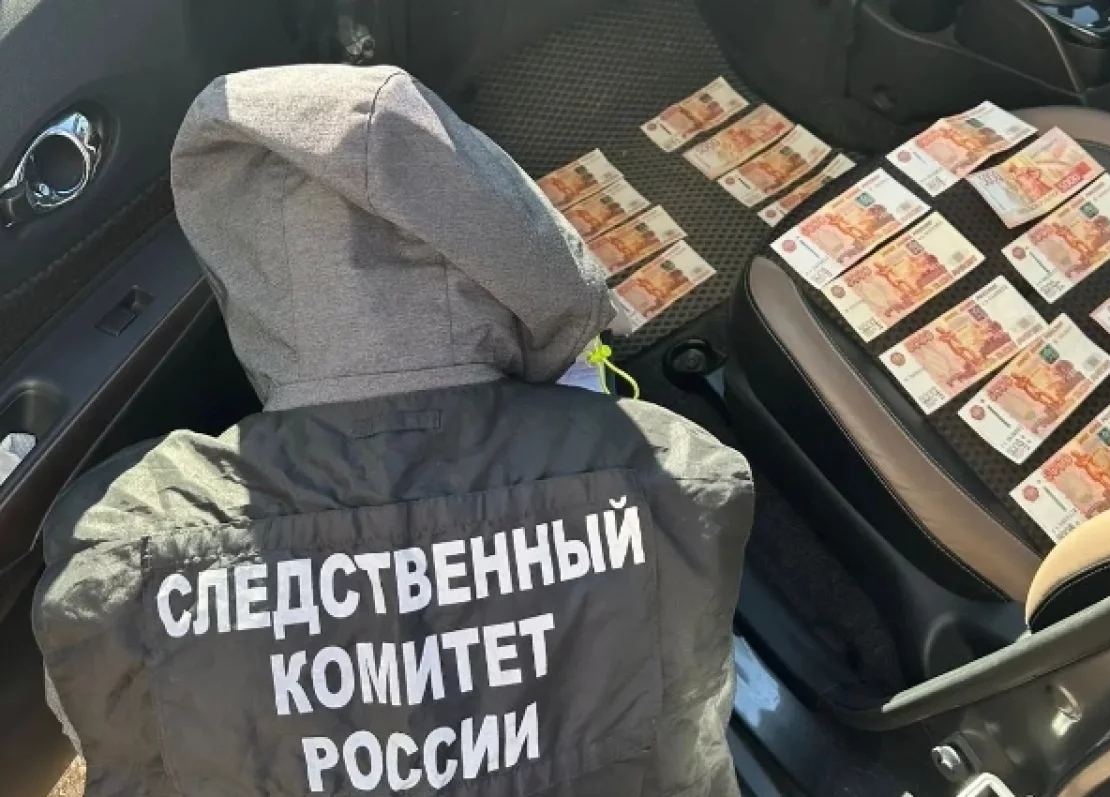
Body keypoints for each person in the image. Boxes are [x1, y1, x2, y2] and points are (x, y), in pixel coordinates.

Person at [32, 64, 754, 796]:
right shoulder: (679, 476)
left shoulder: (121, 546)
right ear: (520, 253)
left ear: (244, 266)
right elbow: (688, 721)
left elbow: (108, 734)